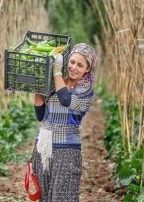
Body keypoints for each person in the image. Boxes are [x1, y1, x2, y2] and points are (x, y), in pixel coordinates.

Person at [31, 43, 97, 202]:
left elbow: (65, 99)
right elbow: (41, 116)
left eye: (80, 65)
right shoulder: (54, 82)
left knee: (62, 198)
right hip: (43, 148)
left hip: (66, 151)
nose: (74, 67)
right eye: (72, 62)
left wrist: (56, 72)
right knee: (45, 197)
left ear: (87, 70)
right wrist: (38, 87)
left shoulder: (85, 91)